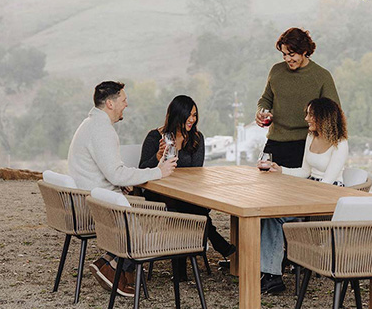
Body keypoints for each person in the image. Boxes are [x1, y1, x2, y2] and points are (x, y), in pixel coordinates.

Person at [67, 81, 177, 298]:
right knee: (156, 218)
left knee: (148, 213)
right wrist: (159, 172)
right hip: (100, 205)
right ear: (110, 103)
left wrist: (122, 182)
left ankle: (110, 262)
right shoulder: (102, 130)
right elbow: (115, 173)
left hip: (93, 197)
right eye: (123, 100)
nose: (126, 105)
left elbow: (109, 172)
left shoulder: (90, 124)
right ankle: (115, 267)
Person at [256, 97, 350, 294]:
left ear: (323, 117)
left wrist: (300, 195)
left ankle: (271, 274)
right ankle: (271, 274)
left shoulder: (340, 144)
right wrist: (280, 170)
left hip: (329, 196)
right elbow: (304, 171)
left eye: (310, 114)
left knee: (278, 215)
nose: (306, 118)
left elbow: (327, 183)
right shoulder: (311, 137)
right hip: (310, 190)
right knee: (271, 215)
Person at [139, 95, 236, 277]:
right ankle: (217, 241)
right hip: (159, 195)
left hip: (186, 193)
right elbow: (142, 169)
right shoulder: (155, 137)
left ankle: (181, 271)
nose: (192, 119)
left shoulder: (196, 138)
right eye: (189, 115)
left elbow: (196, 171)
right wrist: (158, 157)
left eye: (194, 115)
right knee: (190, 209)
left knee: (188, 206)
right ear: (177, 115)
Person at [256, 27, 340, 169]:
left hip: (305, 144)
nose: (287, 59)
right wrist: (261, 111)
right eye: (284, 54)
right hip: (275, 142)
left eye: (292, 54)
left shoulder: (322, 76)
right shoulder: (276, 71)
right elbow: (266, 99)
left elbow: (333, 113)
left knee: (298, 189)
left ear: (305, 51)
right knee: (267, 187)